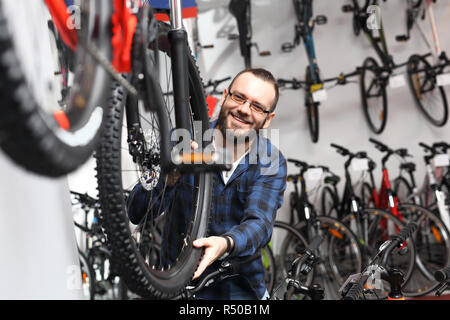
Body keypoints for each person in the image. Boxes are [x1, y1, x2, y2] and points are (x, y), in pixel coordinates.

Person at [127, 67, 287, 300]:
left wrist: (225, 243)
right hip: (182, 286)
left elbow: (260, 224)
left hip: (241, 289)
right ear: (224, 96)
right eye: (239, 97)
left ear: (267, 119)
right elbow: (136, 212)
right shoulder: (183, 140)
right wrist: (169, 179)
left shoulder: (270, 160)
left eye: (257, 106)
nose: (244, 109)